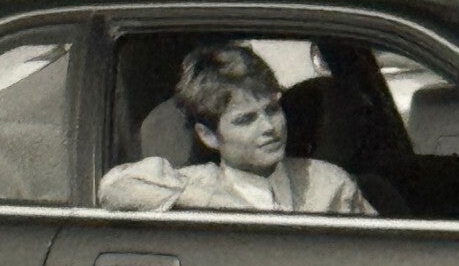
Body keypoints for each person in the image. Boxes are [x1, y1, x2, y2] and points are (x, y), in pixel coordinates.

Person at [100, 43, 376, 215]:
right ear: (208, 136)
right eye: (246, 120)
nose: (270, 128)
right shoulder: (192, 184)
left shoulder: (327, 182)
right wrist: (213, 200)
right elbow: (114, 188)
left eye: (272, 110)